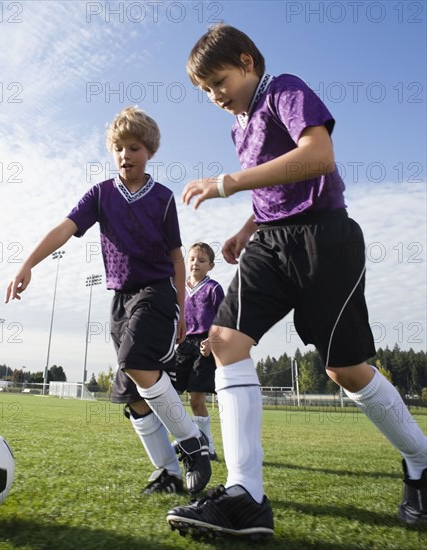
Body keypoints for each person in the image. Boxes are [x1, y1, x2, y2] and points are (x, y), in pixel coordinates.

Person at [166, 24, 427, 539]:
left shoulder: (284, 88)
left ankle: (420, 460)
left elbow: (317, 156)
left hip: (326, 241)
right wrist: (246, 228)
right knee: (223, 340)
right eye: (206, 92)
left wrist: (227, 184)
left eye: (219, 82)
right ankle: (246, 495)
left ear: (247, 62)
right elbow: (275, 190)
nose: (216, 97)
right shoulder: (238, 126)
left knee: (345, 370)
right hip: (271, 245)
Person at [5, 106, 211, 496]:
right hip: (120, 299)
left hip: (157, 293)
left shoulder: (164, 199)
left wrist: (183, 308)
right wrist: (28, 263)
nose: (125, 155)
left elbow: (177, 258)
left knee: (134, 361)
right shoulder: (100, 195)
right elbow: (64, 229)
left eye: (134, 147)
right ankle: (167, 472)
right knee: (133, 397)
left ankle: (191, 442)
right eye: (119, 148)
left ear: (148, 151)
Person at [174, 242, 224, 461]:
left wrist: (212, 341)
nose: (196, 263)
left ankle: (208, 445)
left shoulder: (214, 288)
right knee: (169, 393)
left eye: (202, 260)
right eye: (193, 259)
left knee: (196, 399)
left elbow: (224, 319)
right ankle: (187, 436)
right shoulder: (178, 288)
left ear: (210, 265)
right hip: (183, 345)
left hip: (205, 345)